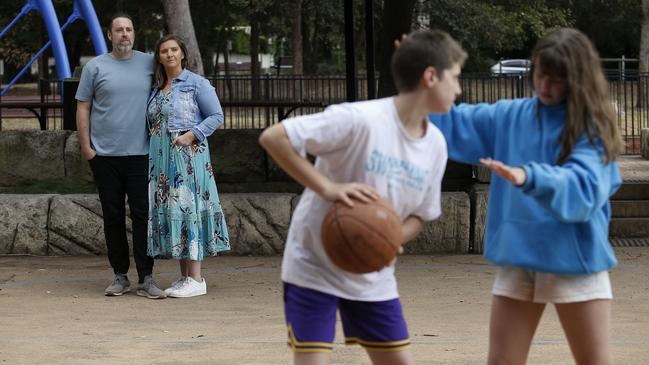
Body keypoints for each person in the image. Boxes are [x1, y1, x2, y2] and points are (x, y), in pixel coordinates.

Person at [259, 30, 466, 365]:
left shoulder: (435, 145)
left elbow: (420, 215)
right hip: (314, 266)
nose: (458, 89)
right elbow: (274, 137)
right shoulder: (360, 120)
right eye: (455, 78)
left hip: (371, 271)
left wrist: (393, 235)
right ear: (431, 77)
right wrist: (327, 188)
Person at [429, 28, 624, 364]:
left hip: (574, 261)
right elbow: (449, 122)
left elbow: (583, 187)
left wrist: (529, 175)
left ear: (577, 80)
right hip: (520, 258)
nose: (544, 87)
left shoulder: (593, 129)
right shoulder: (511, 115)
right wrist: (421, 75)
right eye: (539, 75)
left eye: (555, 79)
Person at [76, 13, 165, 299]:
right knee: (113, 215)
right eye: (119, 30)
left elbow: (173, 87)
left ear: (134, 34)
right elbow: (83, 108)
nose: (125, 34)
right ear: (110, 35)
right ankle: (119, 275)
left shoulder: (150, 63)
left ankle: (147, 277)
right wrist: (87, 147)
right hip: (105, 156)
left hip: (142, 154)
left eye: (129, 29)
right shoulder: (95, 67)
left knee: (143, 215)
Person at [146, 34, 230, 298]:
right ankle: (185, 276)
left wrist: (191, 134)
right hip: (161, 160)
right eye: (163, 51)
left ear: (182, 53)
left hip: (187, 156)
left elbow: (216, 115)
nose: (169, 55)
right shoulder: (158, 87)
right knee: (175, 209)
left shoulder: (196, 83)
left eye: (174, 50)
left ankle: (196, 278)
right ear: (158, 57)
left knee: (187, 205)